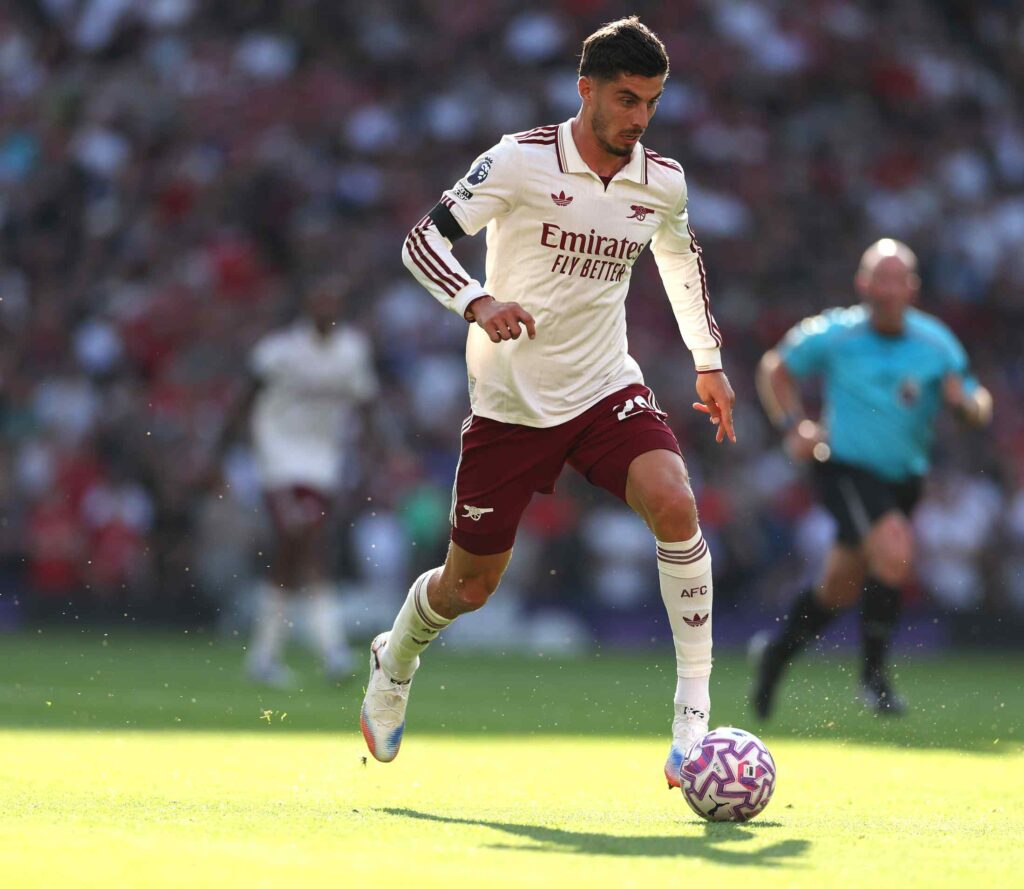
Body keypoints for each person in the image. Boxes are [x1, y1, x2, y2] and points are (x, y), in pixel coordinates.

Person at [359, 17, 736, 789]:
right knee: (468, 587)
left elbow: (680, 259)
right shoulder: (518, 159)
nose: (638, 118)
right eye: (627, 99)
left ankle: (692, 712)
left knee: (674, 501)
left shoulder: (661, 180)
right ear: (586, 90)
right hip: (512, 399)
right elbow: (420, 242)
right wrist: (477, 299)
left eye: (652, 103)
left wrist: (708, 362)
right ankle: (394, 657)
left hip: (606, 386)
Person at [751, 238, 993, 718]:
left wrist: (966, 405)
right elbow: (775, 368)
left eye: (894, 279)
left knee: (838, 588)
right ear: (861, 284)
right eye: (876, 278)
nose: (885, 289)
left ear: (912, 287)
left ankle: (775, 655)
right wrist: (791, 424)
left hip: (903, 480)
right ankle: (874, 677)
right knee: (895, 547)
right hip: (844, 468)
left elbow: (977, 402)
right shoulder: (836, 333)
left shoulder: (935, 343)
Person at [212, 274, 379, 687]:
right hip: (279, 462)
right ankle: (333, 651)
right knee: (307, 543)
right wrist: (219, 453)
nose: (327, 308)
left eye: (333, 301)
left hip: (323, 466)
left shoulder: (352, 351)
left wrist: (388, 451)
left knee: (292, 554)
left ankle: (264, 658)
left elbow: (368, 404)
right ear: (306, 304)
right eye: (319, 300)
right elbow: (243, 400)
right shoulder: (278, 351)